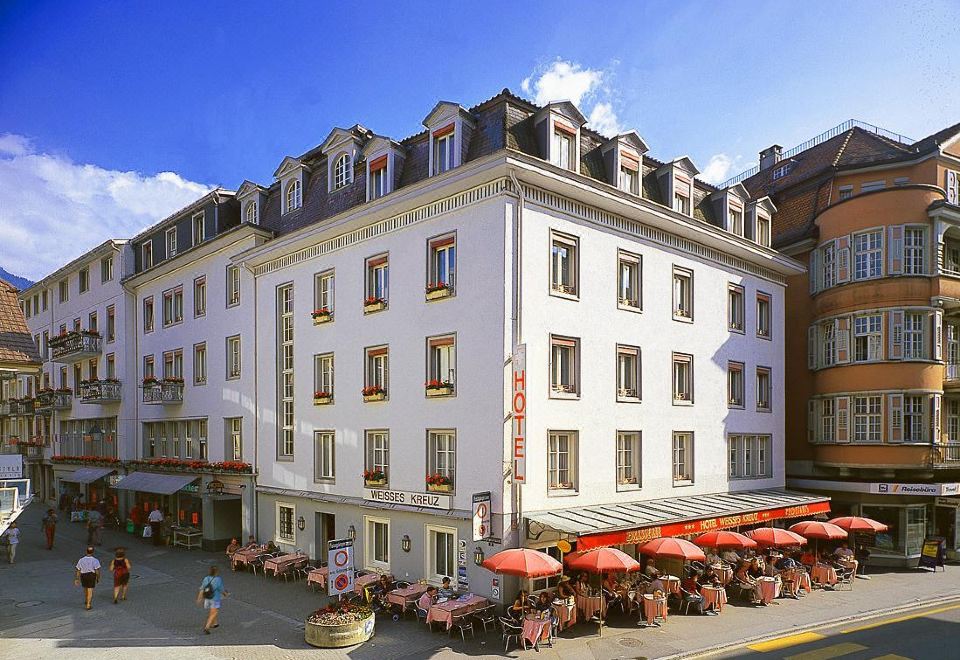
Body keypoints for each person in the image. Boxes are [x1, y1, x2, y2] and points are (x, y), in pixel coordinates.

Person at [197, 565, 228, 634]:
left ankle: (215, 623)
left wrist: (199, 598)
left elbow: (202, 588)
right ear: (216, 572)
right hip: (215, 598)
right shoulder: (218, 579)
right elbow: (221, 589)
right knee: (214, 612)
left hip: (207, 598)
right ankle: (207, 627)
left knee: (212, 611)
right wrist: (225, 594)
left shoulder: (206, 578)